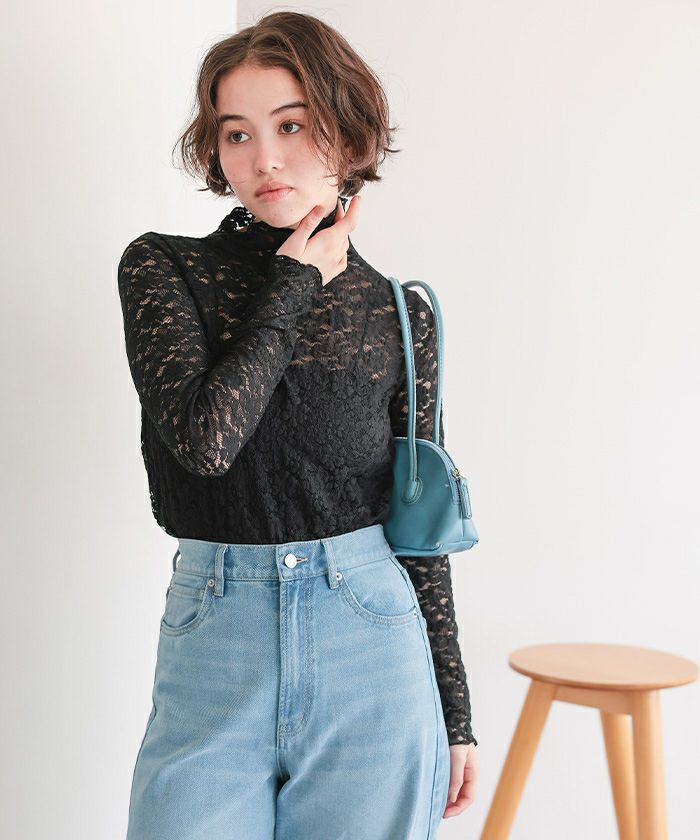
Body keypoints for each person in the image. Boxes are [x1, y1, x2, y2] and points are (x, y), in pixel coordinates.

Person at [117, 11, 478, 839]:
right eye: (236, 134)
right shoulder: (164, 266)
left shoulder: (399, 313)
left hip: (371, 640)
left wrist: (455, 713)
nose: (264, 160)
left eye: (291, 125)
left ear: (347, 132)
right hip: (217, 636)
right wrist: (292, 283)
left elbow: (419, 525)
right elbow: (207, 443)